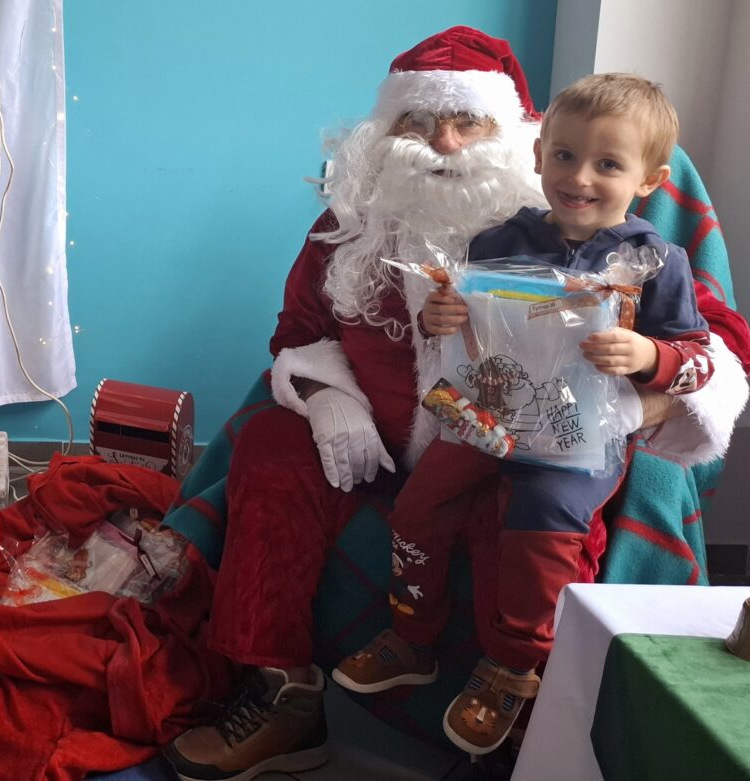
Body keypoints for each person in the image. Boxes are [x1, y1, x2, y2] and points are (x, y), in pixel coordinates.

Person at [162, 27, 749, 781]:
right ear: (383, 134)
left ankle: (517, 728)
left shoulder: (588, 228)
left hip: (521, 442)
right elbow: (298, 332)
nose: (443, 141)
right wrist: (326, 395)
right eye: (417, 120)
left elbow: (717, 345)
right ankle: (284, 693)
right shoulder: (348, 224)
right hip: (375, 444)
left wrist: (632, 406)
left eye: (468, 120)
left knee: (529, 507)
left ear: (515, 137)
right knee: (270, 444)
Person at [332, 73, 716, 756]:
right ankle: (412, 635)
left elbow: (697, 358)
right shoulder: (497, 241)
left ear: (651, 180)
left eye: (608, 164)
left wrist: (648, 354)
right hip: (490, 417)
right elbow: (465, 334)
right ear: (538, 156)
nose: (580, 177)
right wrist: (439, 317)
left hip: (580, 435)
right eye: (564, 155)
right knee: (418, 506)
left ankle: (513, 665)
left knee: (544, 523)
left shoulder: (656, 262)